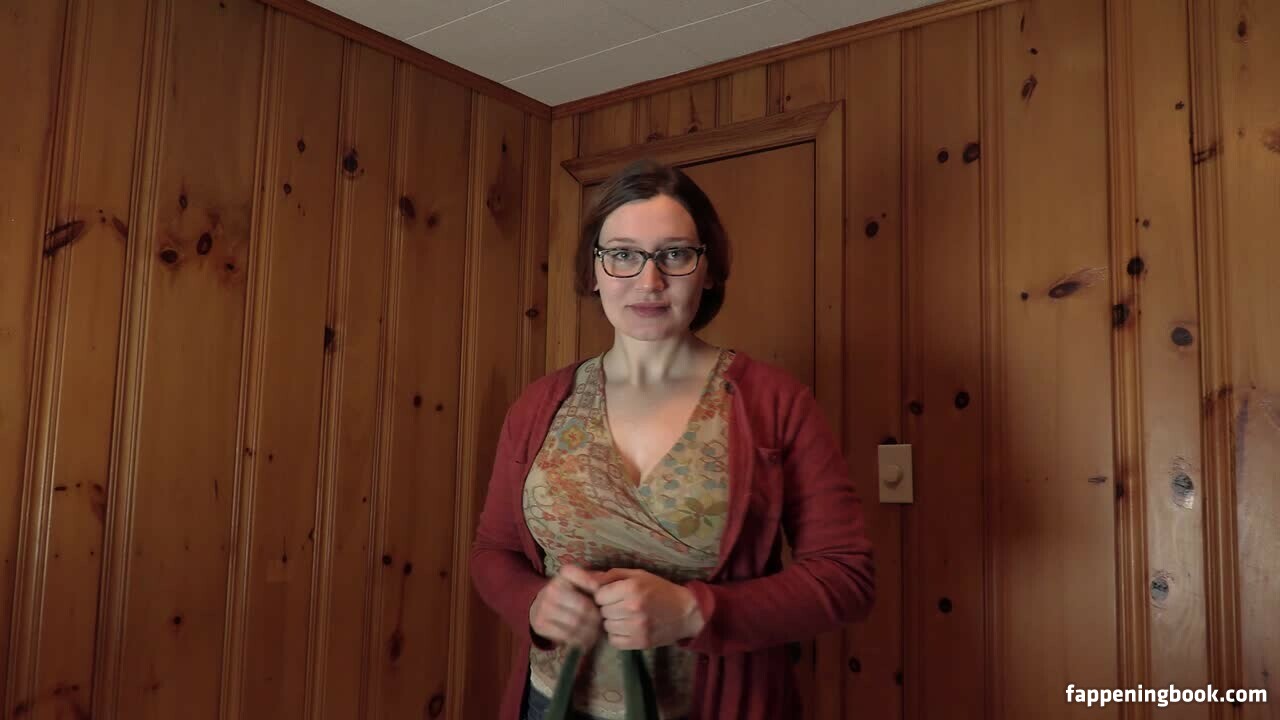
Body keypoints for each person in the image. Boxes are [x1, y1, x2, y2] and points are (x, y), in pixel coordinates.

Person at [470, 159, 874, 720]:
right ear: (593, 270)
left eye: (675, 254)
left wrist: (691, 611)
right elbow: (494, 553)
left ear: (709, 271)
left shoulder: (775, 403)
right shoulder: (540, 405)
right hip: (552, 704)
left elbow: (847, 576)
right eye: (623, 254)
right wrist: (534, 603)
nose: (649, 281)